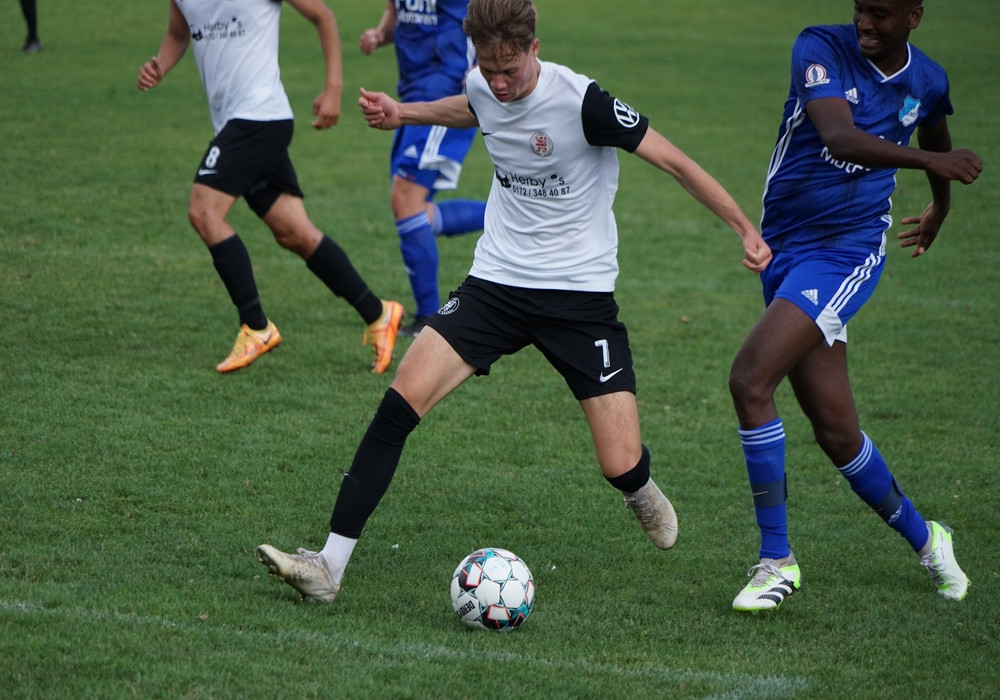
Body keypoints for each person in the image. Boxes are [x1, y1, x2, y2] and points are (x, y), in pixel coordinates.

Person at [256, 0, 771, 604]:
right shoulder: (482, 82)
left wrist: (744, 228)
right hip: (495, 284)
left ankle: (637, 484)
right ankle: (328, 567)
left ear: (533, 48)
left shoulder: (583, 102)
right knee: (398, 404)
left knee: (620, 463)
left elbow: (676, 163)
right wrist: (404, 114)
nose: (499, 84)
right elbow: (471, 104)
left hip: (578, 297)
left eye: (510, 71)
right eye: (488, 69)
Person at [727, 0, 982, 612]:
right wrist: (933, 164)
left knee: (750, 379)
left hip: (847, 251)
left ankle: (776, 561)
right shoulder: (819, 47)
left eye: (881, 14)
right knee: (838, 432)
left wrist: (941, 204)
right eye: (861, 8)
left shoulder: (928, 79)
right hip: (786, 246)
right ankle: (929, 540)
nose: (865, 22)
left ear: (914, 16)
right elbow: (838, 135)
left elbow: (935, 129)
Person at [137, 0, 404, 374]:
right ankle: (378, 313)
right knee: (295, 233)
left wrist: (333, 88)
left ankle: (256, 326)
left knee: (203, 210)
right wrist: (160, 66)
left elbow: (322, 16)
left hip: (259, 118)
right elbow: (177, 34)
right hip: (237, 122)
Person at [359, 1, 488, 337]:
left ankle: (429, 318)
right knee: (414, 210)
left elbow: (514, 11)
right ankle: (513, 212)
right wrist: (380, 34)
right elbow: (398, 12)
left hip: (448, 94)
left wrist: (484, 64)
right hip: (409, 97)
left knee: (406, 201)